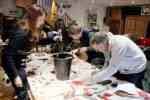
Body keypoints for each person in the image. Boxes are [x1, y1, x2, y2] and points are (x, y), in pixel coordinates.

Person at [1, 5, 60, 100]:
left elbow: (37, 41)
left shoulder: (32, 29)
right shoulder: (21, 33)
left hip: (20, 61)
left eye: (43, 19)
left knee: (25, 82)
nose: (42, 22)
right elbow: (8, 56)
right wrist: (15, 76)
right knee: (22, 88)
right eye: (40, 19)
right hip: (11, 64)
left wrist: (52, 39)